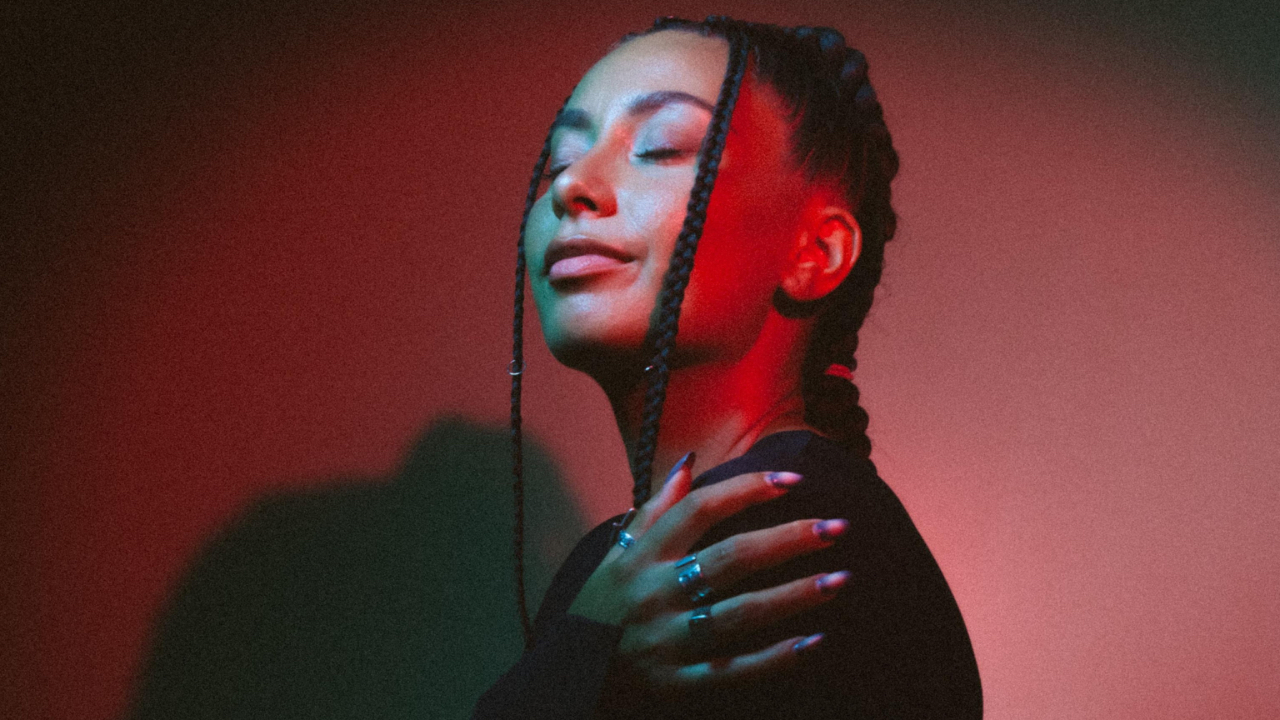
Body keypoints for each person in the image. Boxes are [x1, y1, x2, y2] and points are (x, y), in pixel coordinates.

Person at [474, 16, 981, 719]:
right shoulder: (627, 571)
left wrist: (580, 662)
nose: (573, 188)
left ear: (816, 253)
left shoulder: (786, 540)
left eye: (660, 147)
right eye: (559, 163)